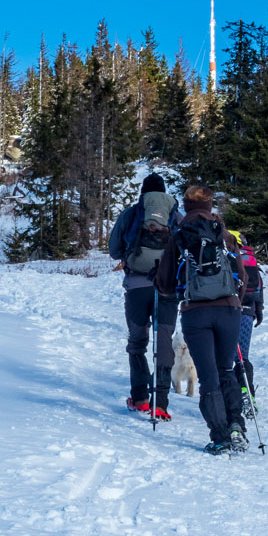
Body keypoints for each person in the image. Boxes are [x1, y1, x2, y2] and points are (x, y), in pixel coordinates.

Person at [155, 185, 250, 454]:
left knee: (208, 377)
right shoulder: (225, 235)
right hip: (228, 310)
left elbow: (164, 283)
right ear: (210, 206)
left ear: (185, 206)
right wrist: (235, 302)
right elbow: (242, 277)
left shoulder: (179, 235)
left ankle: (220, 437)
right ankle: (236, 426)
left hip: (196, 313)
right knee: (226, 370)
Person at [108, 173, 179, 419]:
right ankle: (161, 403)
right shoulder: (174, 214)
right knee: (164, 342)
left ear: (143, 193)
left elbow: (114, 250)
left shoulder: (132, 213)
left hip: (137, 287)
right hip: (167, 287)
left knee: (137, 342)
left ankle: (139, 399)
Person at [228, 229, 264, 416]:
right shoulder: (249, 256)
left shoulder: (226, 253)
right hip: (247, 311)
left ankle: (230, 397)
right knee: (243, 355)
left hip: (227, 309)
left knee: (225, 357)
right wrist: (259, 310)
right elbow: (258, 284)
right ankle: (248, 394)